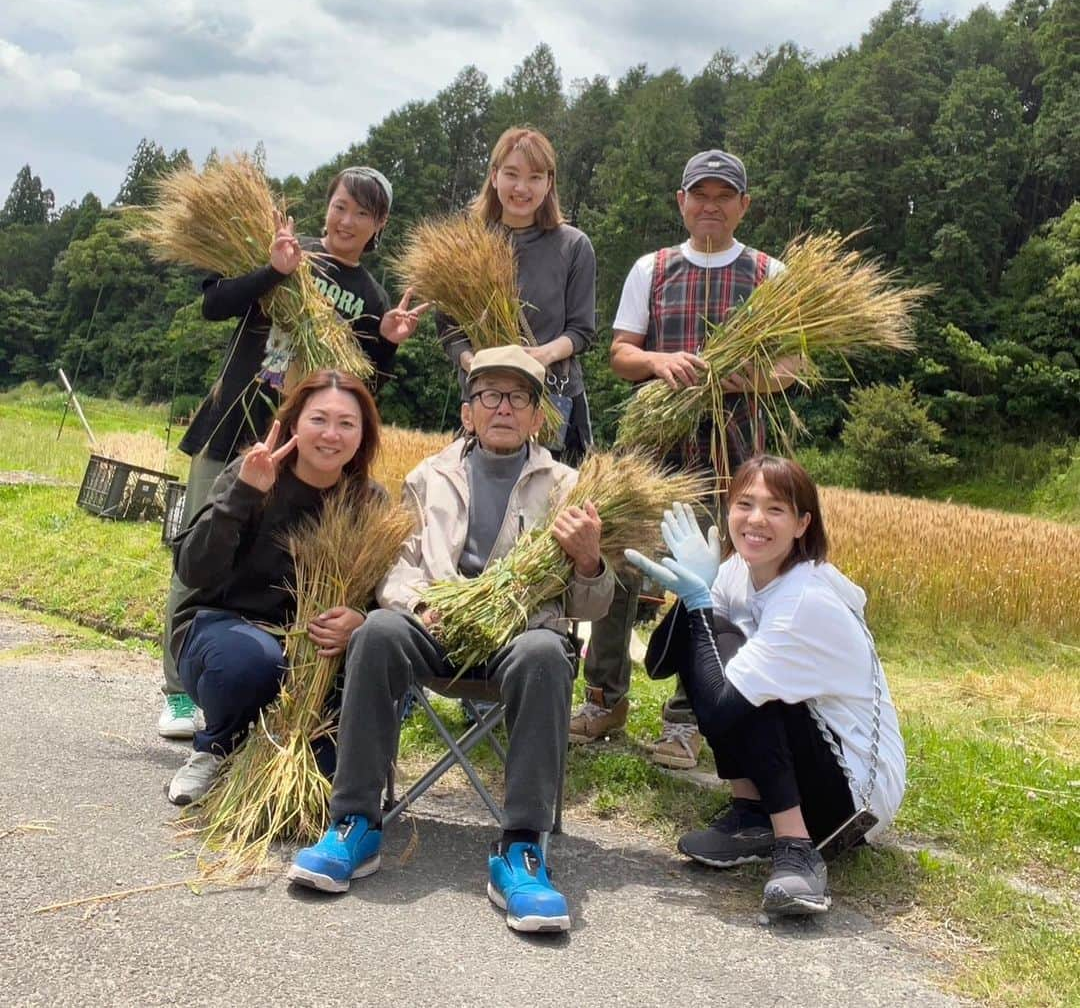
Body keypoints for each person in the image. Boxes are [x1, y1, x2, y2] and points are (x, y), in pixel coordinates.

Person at [287, 345, 614, 934]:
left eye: (519, 398)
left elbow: (588, 605)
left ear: (539, 416)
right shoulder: (427, 477)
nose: (504, 408)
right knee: (379, 632)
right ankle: (355, 823)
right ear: (468, 412)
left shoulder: (569, 487)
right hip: (435, 628)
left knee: (546, 653)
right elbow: (398, 569)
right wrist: (422, 605)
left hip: (518, 637)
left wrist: (590, 561)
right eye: (489, 395)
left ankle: (521, 847)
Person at [159, 166, 426, 739]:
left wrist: (390, 346)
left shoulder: (371, 298)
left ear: (378, 225)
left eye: (361, 213)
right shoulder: (284, 249)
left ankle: (262, 677)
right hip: (236, 428)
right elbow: (213, 304)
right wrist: (272, 271)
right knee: (198, 551)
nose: (346, 220)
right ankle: (179, 692)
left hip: (303, 452)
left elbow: (359, 393)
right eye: (339, 206)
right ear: (325, 207)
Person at [570, 148, 790, 768]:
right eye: (701, 194)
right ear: (682, 203)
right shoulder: (653, 267)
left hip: (734, 454)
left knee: (714, 583)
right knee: (615, 561)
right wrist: (659, 364)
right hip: (652, 452)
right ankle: (603, 698)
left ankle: (687, 719)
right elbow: (619, 355)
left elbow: (796, 366)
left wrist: (745, 378)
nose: (711, 206)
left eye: (725, 196)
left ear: (744, 205)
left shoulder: (772, 273)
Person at [624, 456, 905, 915]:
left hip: (852, 800)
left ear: (802, 524)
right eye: (745, 504)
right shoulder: (738, 572)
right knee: (713, 639)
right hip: (811, 768)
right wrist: (691, 592)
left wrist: (699, 603)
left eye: (776, 509)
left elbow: (716, 710)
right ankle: (753, 819)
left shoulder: (803, 600)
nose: (756, 520)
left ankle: (797, 849)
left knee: (730, 657)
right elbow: (660, 662)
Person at [166, 368, 385, 806]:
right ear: (294, 424)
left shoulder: (370, 502)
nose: (331, 434)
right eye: (318, 419)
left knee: (326, 778)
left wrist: (360, 621)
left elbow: (384, 595)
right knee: (252, 663)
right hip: (225, 630)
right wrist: (243, 494)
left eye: (347, 424)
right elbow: (193, 570)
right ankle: (216, 747)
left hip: (316, 651)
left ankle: (292, 762)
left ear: (364, 435)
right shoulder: (253, 473)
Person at [439, 126, 597, 465]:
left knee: (551, 507)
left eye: (535, 177)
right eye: (511, 174)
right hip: (486, 400)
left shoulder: (573, 245)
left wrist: (541, 356)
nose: (522, 188)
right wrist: (476, 364)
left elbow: (582, 331)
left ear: (549, 183)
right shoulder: (465, 244)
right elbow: (449, 330)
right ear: (494, 176)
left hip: (553, 397)